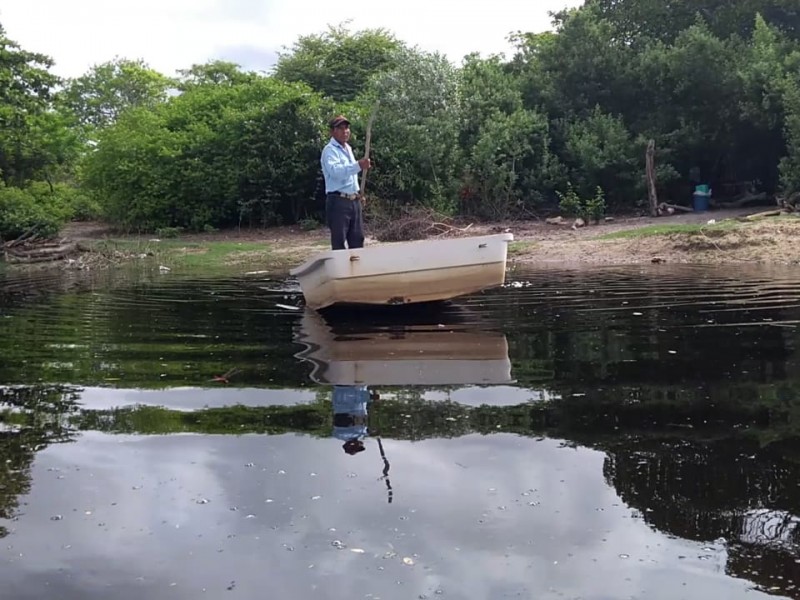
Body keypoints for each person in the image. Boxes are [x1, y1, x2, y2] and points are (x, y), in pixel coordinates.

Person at [320, 115, 372, 250]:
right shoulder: (329, 150)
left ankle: (357, 269)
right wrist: (358, 165)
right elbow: (336, 172)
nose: (345, 131)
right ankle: (340, 269)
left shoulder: (347, 148)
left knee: (357, 238)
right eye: (341, 128)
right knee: (339, 240)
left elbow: (350, 177)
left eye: (347, 128)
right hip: (338, 201)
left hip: (353, 201)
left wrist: (359, 193)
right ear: (332, 132)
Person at [331, 384, 379, 455]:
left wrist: (369, 397)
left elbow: (349, 401)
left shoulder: (342, 434)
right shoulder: (360, 435)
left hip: (349, 388)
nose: (361, 444)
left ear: (351, 445)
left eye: (357, 446)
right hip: (359, 387)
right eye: (360, 446)